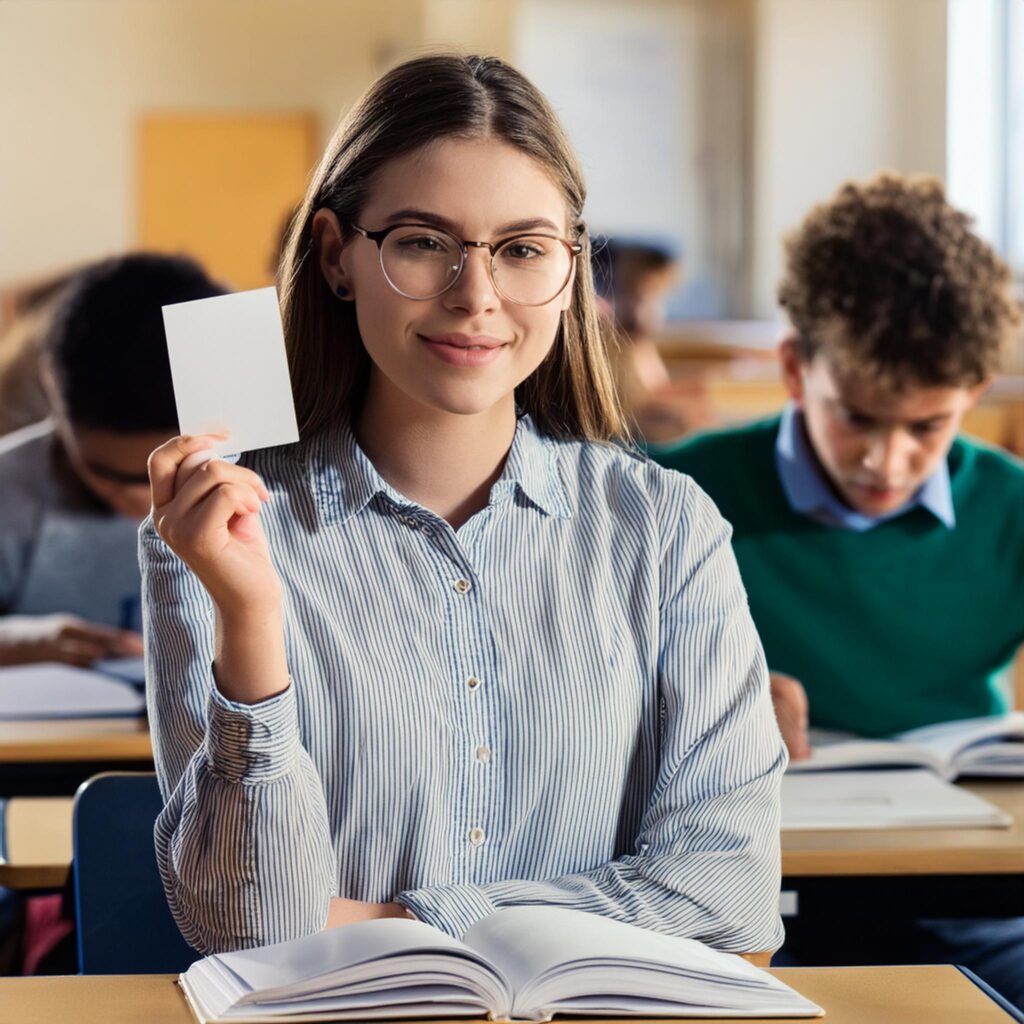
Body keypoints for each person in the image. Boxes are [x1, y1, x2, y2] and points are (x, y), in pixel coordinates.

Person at [142, 54, 786, 957]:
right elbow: (252, 932)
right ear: (336, 255)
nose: (476, 298)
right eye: (421, 242)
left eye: (523, 250)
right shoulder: (214, 533)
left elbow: (733, 899)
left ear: (570, 269)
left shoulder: (666, 527)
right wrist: (250, 617)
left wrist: (395, 922)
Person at [653, 171, 1024, 1005]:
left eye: (928, 427)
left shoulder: (1010, 509)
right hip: (752, 906)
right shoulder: (673, 499)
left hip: (973, 898)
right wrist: (699, 697)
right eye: (855, 415)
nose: (885, 463)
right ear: (793, 370)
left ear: (971, 397)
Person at [0, 253, 226, 667]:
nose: (147, 504)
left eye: (181, 469)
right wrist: (16, 642)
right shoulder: (11, 491)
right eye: (110, 477)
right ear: (50, 386)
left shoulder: (297, 477)